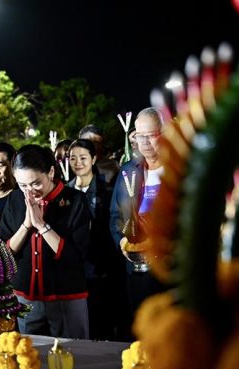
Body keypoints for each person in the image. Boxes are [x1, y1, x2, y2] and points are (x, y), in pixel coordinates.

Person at [0, 145, 91, 339]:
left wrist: (41, 225)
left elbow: (76, 256)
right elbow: (5, 252)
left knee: (73, 350)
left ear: (50, 172)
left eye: (35, 183)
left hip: (66, 295)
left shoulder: (75, 200)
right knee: (30, 352)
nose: (29, 192)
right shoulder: (15, 199)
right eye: (23, 185)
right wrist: (26, 225)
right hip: (26, 296)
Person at [109, 107, 166, 325]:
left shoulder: (180, 168)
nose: (145, 143)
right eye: (139, 136)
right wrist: (123, 241)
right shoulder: (129, 171)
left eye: (151, 135)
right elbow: (116, 215)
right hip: (138, 270)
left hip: (172, 269)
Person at [68, 139, 124, 339]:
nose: (78, 163)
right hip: (74, 269)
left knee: (101, 322)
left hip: (100, 269)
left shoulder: (106, 191)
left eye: (83, 158)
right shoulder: (65, 191)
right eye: (73, 158)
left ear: (93, 159)